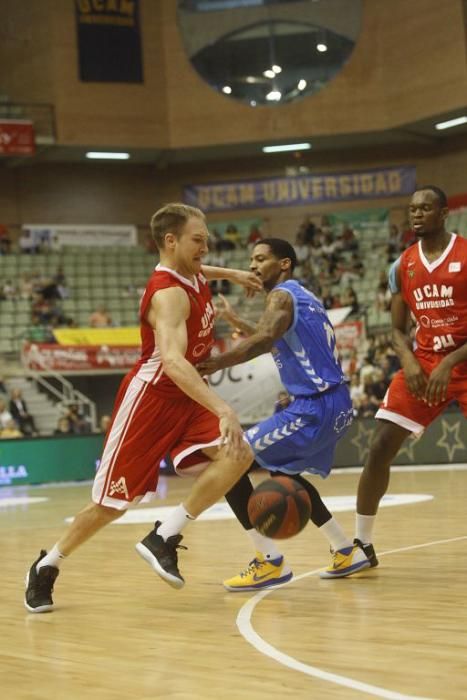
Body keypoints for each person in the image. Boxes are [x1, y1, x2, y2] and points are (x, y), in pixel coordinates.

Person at [24, 202, 259, 613]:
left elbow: (203, 272)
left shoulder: (191, 273)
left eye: (206, 239)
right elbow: (172, 361)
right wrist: (223, 408)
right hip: (152, 398)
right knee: (111, 504)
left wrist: (233, 274)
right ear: (171, 241)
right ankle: (48, 564)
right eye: (198, 240)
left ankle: (164, 535)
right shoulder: (168, 294)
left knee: (237, 453)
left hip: (187, 394)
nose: (206, 247)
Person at [197, 238, 370, 591]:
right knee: (283, 473)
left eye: (261, 259)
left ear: (285, 264)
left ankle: (268, 560)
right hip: (336, 403)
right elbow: (276, 340)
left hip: (314, 405)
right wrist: (236, 320)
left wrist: (213, 363)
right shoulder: (303, 297)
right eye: (251, 260)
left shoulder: (281, 296)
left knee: (231, 458)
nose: (254, 266)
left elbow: (264, 340)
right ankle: (345, 549)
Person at [354, 186, 467, 567]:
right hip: (425, 362)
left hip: (462, 359)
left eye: (425, 208)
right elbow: (397, 330)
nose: (417, 215)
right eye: (412, 210)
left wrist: (451, 363)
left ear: (444, 212)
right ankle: (361, 544)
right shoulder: (402, 265)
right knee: (379, 446)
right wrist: (410, 361)